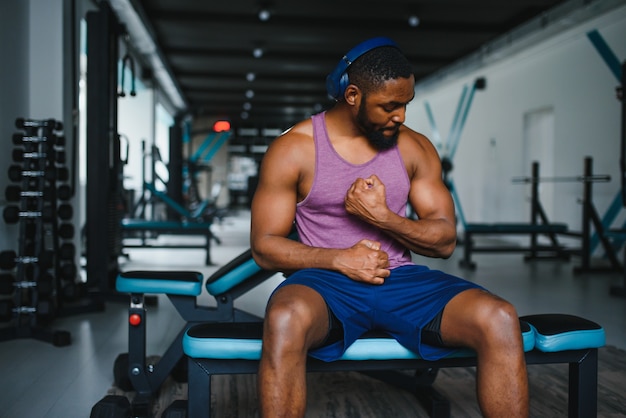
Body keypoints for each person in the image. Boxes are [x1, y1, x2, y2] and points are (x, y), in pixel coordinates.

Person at [250, 37, 529, 418]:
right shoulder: (295, 149)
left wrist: (383, 217)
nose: (401, 116)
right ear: (352, 96)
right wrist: (340, 260)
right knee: (283, 319)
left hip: (402, 281)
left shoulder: (415, 148)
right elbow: (264, 246)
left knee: (499, 318)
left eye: (406, 104)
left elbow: (445, 239)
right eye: (390, 106)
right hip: (324, 284)